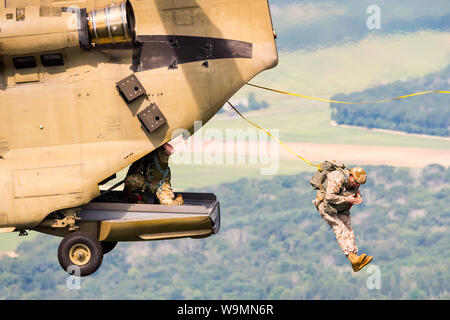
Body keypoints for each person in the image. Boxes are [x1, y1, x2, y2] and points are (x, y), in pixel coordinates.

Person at [313, 165, 372, 272]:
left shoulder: (354, 182)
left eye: (359, 184)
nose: (357, 185)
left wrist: (358, 197)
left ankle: (355, 259)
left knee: (348, 229)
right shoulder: (337, 177)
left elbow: (353, 192)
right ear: (351, 176)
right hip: (325, 206)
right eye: (356, 182)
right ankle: (351, 257)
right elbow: (329, 197)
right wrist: (348, 200)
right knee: (339, 227)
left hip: (341, 207)